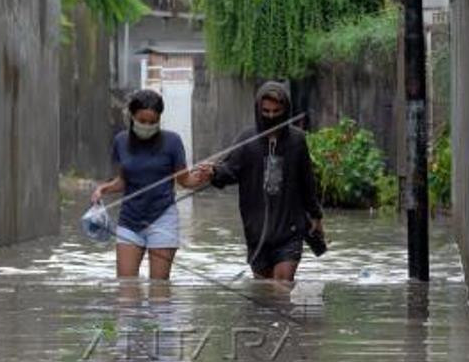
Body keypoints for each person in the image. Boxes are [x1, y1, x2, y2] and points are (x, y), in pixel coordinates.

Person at [197, 81, 324, 282]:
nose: (271, 116)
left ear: (286, 110)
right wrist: (213, 172)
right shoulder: (247, 140)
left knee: (282, 288)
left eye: (276, 111)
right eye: (266, 111)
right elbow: (229, 171)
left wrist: (316, 216)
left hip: (289, 230)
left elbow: (307, 181)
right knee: (265, 295)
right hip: (257, 232)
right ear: (258, 110)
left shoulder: (297, 140)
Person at [91, 89, 207, 279]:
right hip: (129, 221)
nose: (147, 126)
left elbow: (184, 180)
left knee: (159, 292)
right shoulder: (120, 141)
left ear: (159, 119)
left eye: (153, 122)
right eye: (142, 121)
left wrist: (203, 177)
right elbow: (122, 181)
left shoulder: (173, 142)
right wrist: (103, 189)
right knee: (126, 289)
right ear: (132, 117)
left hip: (163, 219)